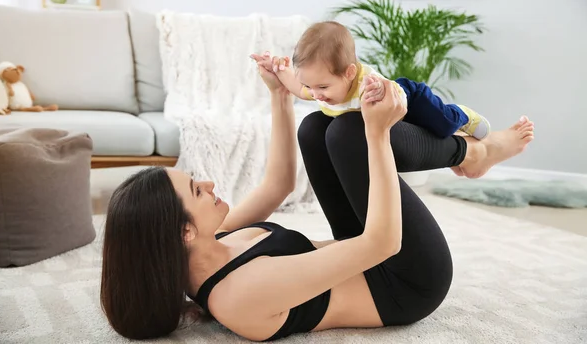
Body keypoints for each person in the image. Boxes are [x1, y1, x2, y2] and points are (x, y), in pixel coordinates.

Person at [99, 53, 535, 342]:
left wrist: (279, 96)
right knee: (351, 132)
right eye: (197, 190)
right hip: (407, 280)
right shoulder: (238, 294)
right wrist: (378, 132)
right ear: (184, 232)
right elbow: (382, 243)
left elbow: (278, 185)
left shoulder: (213, 243)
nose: (210, 184)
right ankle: (476, 150)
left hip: (369, 254)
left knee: (316, 128)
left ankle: (473, 152)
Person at [251, 21, 491, 140]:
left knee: (443, 127)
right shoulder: (318, 89)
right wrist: (277, 69)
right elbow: (297, 88)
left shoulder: (368, 83)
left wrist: (375, 90)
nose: (316, 94)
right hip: (387, 120)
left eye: (322, 86)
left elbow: (382, 97)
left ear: (349, 73)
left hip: (408, 99)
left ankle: (462, 114)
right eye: (311, 86)